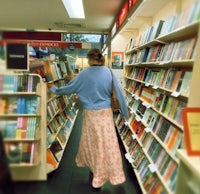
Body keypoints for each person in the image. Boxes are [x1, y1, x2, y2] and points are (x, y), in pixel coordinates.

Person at [49, 48, 128, 189]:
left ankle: (95, 172)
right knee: (107, 144)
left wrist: (55, 90)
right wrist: (125, 113)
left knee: (93, 145)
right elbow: (119, 93)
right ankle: (112, 174)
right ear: (101, 59)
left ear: (89, 59)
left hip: (90, 115)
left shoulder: (84, 74)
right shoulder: (109, 72)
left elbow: (69, 88)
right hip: (105, 114)